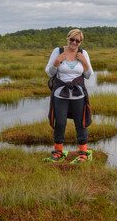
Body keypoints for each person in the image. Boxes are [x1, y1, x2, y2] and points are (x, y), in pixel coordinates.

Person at [43, 29, 93, 163]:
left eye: (77, 41)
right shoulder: (58, 52)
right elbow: (49, 72)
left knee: (80, 123)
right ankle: (58, 152)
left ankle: (83, 153)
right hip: (60, 94)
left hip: (78, 95)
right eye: (72, 39)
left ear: (80, 42)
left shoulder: (83, 53)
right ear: (68, 39)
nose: (74, 42)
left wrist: (84, 62)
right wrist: (57, 62)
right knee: (60, 122)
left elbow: (88, 75)